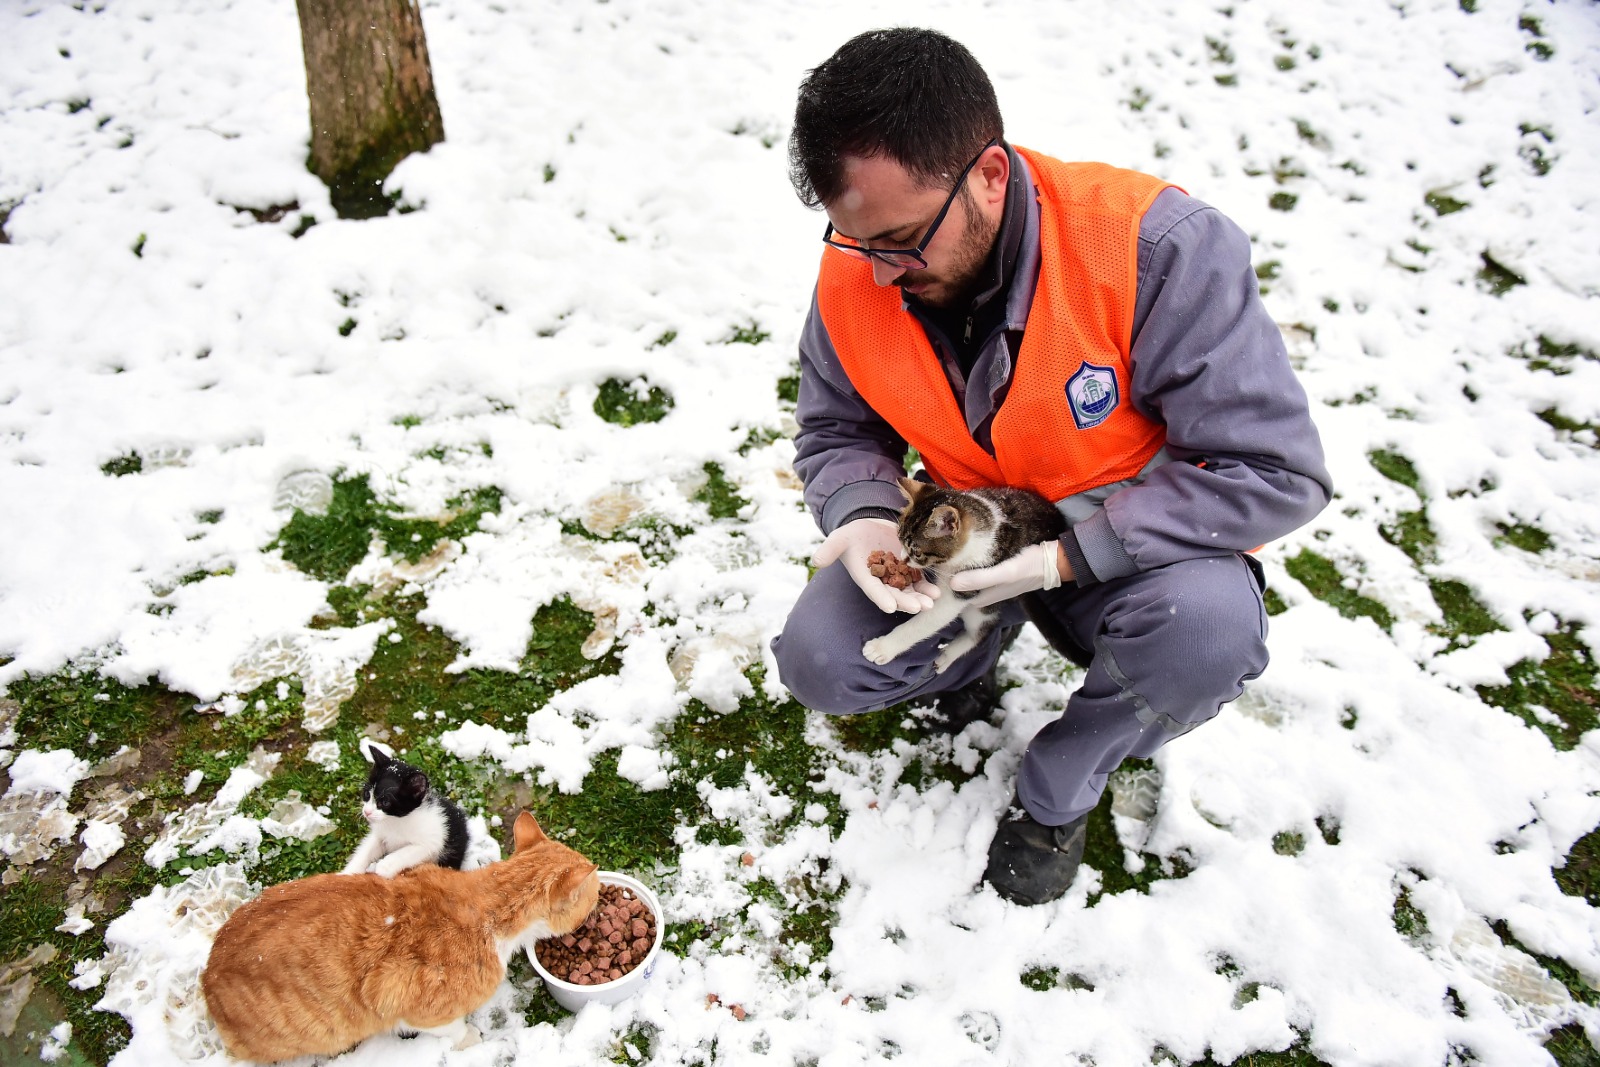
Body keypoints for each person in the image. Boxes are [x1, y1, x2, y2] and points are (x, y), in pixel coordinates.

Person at [770, 27, 1333, 906]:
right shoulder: (863, 261)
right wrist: (864, 516)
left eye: (904, 239)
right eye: (855, 241)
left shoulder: (1157, 250)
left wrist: (1070, 558)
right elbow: (837, 427)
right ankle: (969, 648)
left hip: (1125, 554)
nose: (879, 274)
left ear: (989, 175)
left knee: (1205, 634)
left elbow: (1272, 467)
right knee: (822, 658)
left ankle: (1059, 786)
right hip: (961, 538)